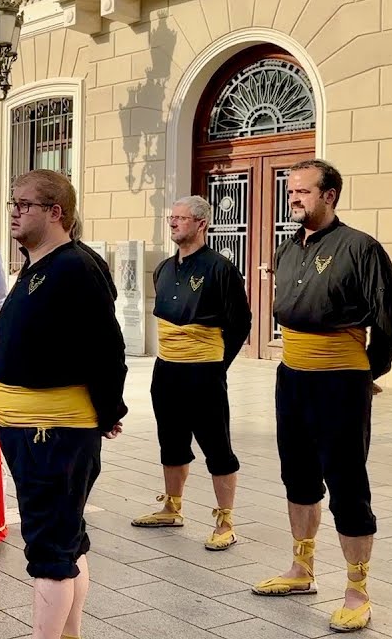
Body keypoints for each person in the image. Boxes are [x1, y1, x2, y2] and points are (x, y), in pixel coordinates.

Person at [251, 159, 392, 633]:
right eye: (291, 192)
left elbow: (390, 316)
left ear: (330, 195)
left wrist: (365, 371)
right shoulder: (286, 248)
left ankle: (358, 591)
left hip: (339, 382)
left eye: (302, 192)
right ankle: (301, 570)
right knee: (297, 476)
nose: (293, 198)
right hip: (292, 376)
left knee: (347, 483)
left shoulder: (361, 248)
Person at [0, 169, 127, 639]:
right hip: (29, 428)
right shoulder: (39, 263)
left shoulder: (75, 267)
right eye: (12, 203)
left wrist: (109, 411)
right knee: (67, 540)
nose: (13, 211)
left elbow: (107, 348)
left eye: (24, 204)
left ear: (55, 213)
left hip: (52, 430)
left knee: (50, 549)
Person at [132, 196, 252, 551]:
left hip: (204, 372)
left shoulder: (220, 268)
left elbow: (240, 322)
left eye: (181, 218)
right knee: (170, 439)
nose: (172, 223)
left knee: (217, 446)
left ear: (201, 224)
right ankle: (172, 506)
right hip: (166, 369)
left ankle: (225, 520)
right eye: (171, 218)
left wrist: (216, 361)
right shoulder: (164, 269)